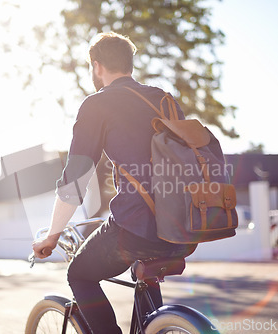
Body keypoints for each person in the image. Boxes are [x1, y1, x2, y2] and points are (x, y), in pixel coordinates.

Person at [32, 31, 197, 334]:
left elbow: (74, 181)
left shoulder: (97, 105)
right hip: (183, 228)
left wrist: (52, 236)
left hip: (137, 227)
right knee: (144, 279)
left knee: (79, 274)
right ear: (129, 64)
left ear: (97, 66)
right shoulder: (164, 99)